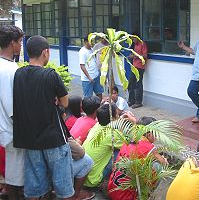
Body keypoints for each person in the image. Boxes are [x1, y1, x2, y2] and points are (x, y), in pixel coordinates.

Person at [13, 35, 74, 199]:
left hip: (30, 140)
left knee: (35, 188)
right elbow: (65, 102)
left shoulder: (18, 74)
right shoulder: (50, 75)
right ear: (45, 52)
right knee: (64, 188)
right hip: (53, 138)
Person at [108, 116, 168, 200]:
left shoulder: (127, 142)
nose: (157, 137)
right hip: (127, 197)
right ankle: (147, 194)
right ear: (149, 134)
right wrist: (163, 159)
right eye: (156, 134)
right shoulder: (148, 147)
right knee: (158, 167)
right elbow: (164, 163)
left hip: (112, 189)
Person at [0, 25, 25, 199]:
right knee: (16, 176)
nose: (21, 45)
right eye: (20, 41)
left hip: (4, 127)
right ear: (12, 43)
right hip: (11, 129)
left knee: (12, 172)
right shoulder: (9, 70)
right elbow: (13, 107)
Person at [83, 103, 121, 187]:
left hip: (84, 176)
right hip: (93, 179)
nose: (119, 117)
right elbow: (130, 143)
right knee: (122, 151)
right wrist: (132, 121)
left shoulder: (98, 125)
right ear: (113, 119)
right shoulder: (111, 134)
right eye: (118, 114)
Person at [79, 35, 104, 100]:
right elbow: (82, 66)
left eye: (93, 41)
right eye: (90, 41)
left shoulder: (92, 49)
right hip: (87, 79)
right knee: (88, 97)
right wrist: (89, 77)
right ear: (85, 42)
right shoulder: (82, 52)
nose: (92, 43)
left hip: (96, 75)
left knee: (99, 93)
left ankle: (99, 108)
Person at [128, 32, 148, 109]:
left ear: (137, 37)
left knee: (138, 84)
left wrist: (134, 56)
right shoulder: (135, 45)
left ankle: (138, 102)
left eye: (133, 38)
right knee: (130, 84)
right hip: (134, 66)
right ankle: (131, 101)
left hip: (140, 66)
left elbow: (145, 56)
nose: (132, 40)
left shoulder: (142, 44)